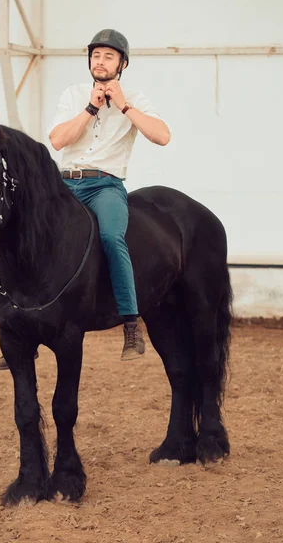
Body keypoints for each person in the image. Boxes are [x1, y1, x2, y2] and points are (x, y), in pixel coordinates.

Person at [49, 28, 171, 361]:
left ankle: (131, 325)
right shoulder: (73, 94)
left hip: (105, 186)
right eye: (96, 55)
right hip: (66, 184)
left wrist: (124, 106)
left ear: (122, 64)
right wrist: (90, 108)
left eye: (108, 56)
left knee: (112, 238)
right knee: (26, 227)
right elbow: (58, 140)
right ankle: (20, 323)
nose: (100, 61)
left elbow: (162, 136)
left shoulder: (135, 98)